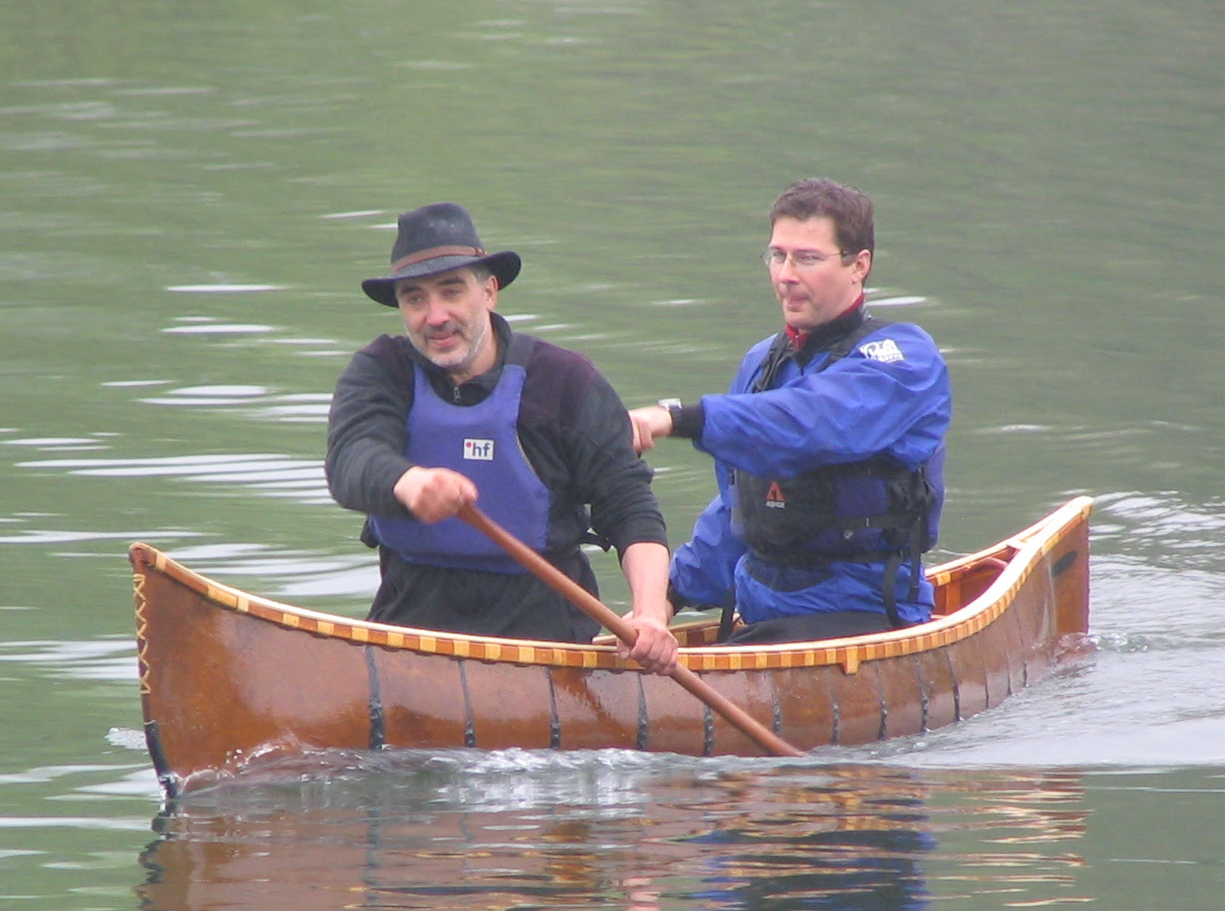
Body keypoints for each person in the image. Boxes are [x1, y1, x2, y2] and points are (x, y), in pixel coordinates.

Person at [326, 202, 677, 672]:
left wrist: (652, 616)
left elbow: (630, 506)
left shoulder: (564, 381)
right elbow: (351, 459)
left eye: (451, 292)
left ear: (489, 292)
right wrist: (409, 483)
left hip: (548, 641)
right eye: (414, 299)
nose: (434, 317)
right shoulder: (380, 372)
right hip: (410, 631)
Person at [628, 179, 950, 644]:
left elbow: (810, 423)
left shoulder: (905, 360)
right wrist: (667, 597)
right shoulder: (762, 362)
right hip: (761, 614)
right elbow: (740, 504)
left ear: (859, 265)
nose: (786, 275)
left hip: (862, 619)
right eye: (778, 255)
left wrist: (676, 418)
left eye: (808, 258)